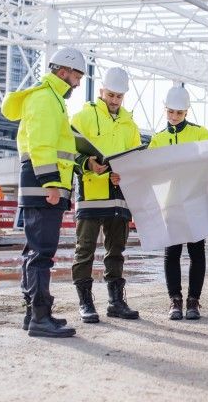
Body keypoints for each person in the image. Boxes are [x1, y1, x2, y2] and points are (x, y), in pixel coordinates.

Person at [1, 47, 84, 338]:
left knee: (35, 251)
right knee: (41, 253)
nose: (77, 82)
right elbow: (41, 145)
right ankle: (39, 317)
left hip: (43, 185)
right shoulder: (46, 99)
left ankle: (35, 313)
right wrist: (51, 184)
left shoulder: (51, 99)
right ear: (64, 72)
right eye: (76, 76)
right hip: (43, 186)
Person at [70, 67, 141, 322]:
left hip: (118, 194)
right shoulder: (83, 117)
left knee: (116, 250)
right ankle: (86, 302)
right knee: (85, 248)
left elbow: (135, 160)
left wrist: (126, 173)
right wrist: (87, 163)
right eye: (111, 95)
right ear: (101, 91)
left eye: (119, 96)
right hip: (91, 193)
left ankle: (116, 301)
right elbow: (68, 150)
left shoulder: (129, 125)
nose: (114, 100)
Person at [148, 85, 208, 320]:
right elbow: (149, 173)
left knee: (197, 252)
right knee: (172, 253)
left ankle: (193, 301)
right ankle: (175, 301)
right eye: (171, 112)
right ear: (165, 109)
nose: (174, 117)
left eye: (180, 113)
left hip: (195, 202)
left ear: (187, 112)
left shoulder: (200, 134)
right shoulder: (157, 139)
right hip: (171, 204)